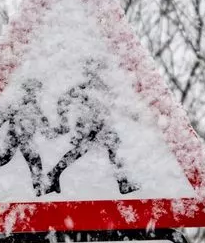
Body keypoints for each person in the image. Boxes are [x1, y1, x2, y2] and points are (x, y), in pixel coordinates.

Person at [44, 62, 139, 195]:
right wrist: (64, 122)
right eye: (94, 71)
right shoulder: (83, 88)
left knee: (106, 149)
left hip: (100, 125)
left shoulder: (102, 87)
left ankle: (123, 183)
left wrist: (131, 115)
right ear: (88, 73)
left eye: (98, 70)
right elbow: (63, 100)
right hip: (89, 126)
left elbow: (115, 104)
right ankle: (52, 176)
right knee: (80, 151)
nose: (97, 74)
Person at [0, 79, 52, 195]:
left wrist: (49, 131)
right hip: (15, 136)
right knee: (13, 158)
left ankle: (38, 189)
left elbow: (43, 122)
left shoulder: (35, 108)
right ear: (27, 91)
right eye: (32, 91)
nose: (34, 94)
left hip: (26, 138)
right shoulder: (17, 105)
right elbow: (1, 117)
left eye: (37, 92)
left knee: (24, 159)